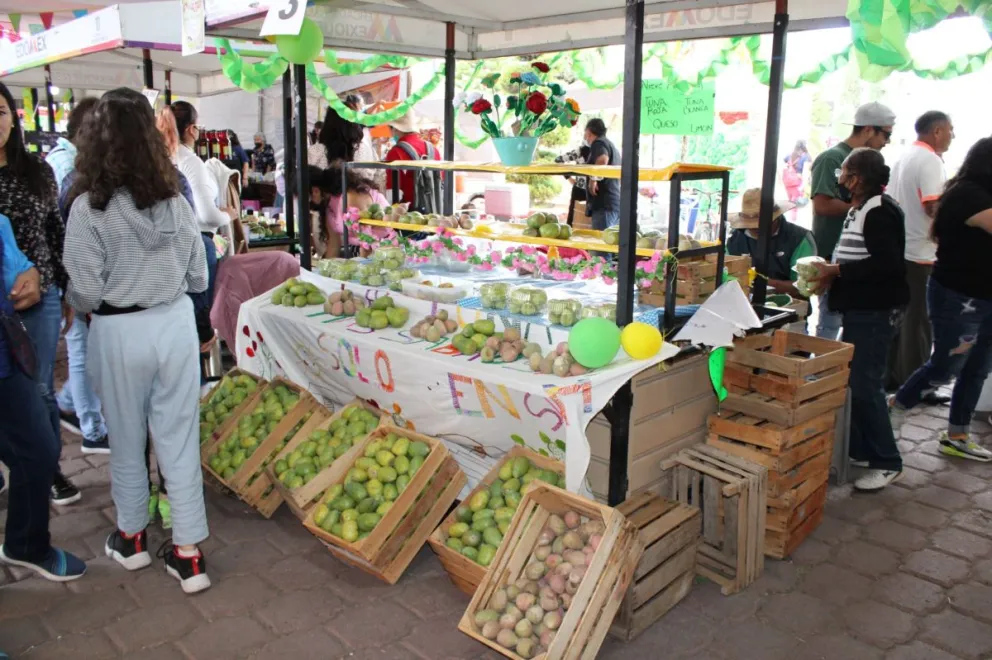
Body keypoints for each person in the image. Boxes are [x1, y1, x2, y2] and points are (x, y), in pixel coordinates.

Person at [63, 87, 211, 594]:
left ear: (94, 142)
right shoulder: (174, 201)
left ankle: (131, 540)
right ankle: (190, 556)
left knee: (126, 439)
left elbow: (82, 290)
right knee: (179, 438)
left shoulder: (86, 209)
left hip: (118, 329)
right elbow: (198, 277)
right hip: (173, 325)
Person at [807, 148, 908, 492]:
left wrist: (837, 270)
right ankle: (864, 448)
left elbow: (887, 265)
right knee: (858, 382)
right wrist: (831, 273)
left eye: (845, 172)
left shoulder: (879, 211)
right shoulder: (860, 209)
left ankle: (887, 461)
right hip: (860, 309)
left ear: (859, 178)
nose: (840, 178)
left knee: (866, 384)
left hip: (875, 311)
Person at [0, 81, 81, 505]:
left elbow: (55, 233)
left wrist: (65, 289)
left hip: (40, 297)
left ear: (13, 117)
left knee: (40, 387)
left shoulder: (38, 171)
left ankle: (48, 469)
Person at [890, 137, 992, 462]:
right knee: (947, 364)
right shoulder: (968, 195)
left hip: (985, 297)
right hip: (959, 297)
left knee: (977, 369)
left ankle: (957, 435)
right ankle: (895, 408)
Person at [0, 212, 87, 582]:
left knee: (39, 448)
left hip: (5, 363)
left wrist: (30, 275)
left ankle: (27, 544)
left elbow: (18, 266)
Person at [44, 98, 111, 455]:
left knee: (83, 351)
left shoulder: (63, 162)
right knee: (82, 351)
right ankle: (92, 429)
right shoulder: (70, 170)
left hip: (71, 277)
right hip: (74, 279)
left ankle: (69, 403)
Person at [809, 101, 896, 340]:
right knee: (829, 322)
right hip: (833, 252)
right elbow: (822, 204)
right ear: (868, 129)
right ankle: (822, 373)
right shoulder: (833, 159)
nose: (886, 142)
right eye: (885, 135)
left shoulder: (871, 163)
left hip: (858, 260)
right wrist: (863, 208)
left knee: (856, 326)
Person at [886, 111, 954, 390]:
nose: (953, 136)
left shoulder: (905, 156)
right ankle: (916, 385)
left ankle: (894, 375)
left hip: (903, 248)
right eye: (950, 130)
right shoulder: (929, 160)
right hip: (921, 252)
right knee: (919, 322)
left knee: (902, 320)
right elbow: (932, 206)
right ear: (937, 131)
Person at [169, 101, 236, 343]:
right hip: (198, 243)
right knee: (198, 319)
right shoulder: (190, 161)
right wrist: (228, 214)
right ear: (191, 129)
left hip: (173, 248)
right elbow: (207, 215)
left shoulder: (166, 156)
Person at [727, 187, 815, 298]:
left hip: (790, 307)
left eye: (759, 224)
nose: (754, 228)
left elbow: (807, 286)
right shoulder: (734, 239)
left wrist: (765, 283)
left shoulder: (799, 238)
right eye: (750, 224)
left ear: (775, 218)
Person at [308, 165, 390, 258]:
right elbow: (334, 245)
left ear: (315, 191)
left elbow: (366, 242)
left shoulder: (350, 197)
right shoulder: (329, 205)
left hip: (383, 251)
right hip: (360, 251)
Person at [383, 110, 437, 207]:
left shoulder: (396, 152)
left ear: (396, 129)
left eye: (390, 128)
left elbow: (392, 192)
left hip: (407, 213)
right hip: (433, 209)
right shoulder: (433, 149)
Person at [583, 118, 621, 230]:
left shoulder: (598, 143)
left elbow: (602, 159)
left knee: (600, 243)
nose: (585, 138)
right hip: (614, 202)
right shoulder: (612, 146)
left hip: (603, 204)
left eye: (585, 134)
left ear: (589, 132)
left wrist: (593, 180)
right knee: (611, 243)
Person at [555, 145, 590, 226]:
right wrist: (569, 177)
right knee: (574, 221)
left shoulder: (602, 149)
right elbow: (558, 160)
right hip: (580, 190)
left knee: (592, 225)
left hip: (597, 192)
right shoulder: (580, 151)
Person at [782, 139, 810, 219]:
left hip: (787, 183)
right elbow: (805, 173)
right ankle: (793, 221)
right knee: (795, 205)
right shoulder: (806, 157)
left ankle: (789, 219)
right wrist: (803, 186)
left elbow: (783, 164)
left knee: (791, 202)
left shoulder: (790, 155)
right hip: (797, 183)